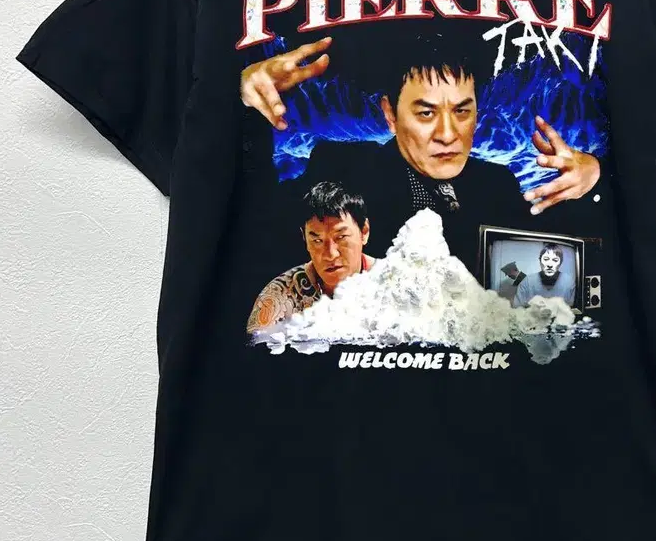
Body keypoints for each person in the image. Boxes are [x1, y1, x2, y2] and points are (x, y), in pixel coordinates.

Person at [240, 35, 601, 274]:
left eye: (462, 111)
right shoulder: (338, 169)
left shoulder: (496, 184)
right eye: (426, 113)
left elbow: (555, 264)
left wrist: (595, 175)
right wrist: (243, 102)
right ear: (390, 115)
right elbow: (258, 223)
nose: (448, 134)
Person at [247, 180, 375, 333]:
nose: (330, 255)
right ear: (305, 238)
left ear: (364, 231)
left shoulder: (394, 286)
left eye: (341, 237)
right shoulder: (279, 297)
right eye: (317, 241)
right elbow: (253, 347)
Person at [512, 243, 576, 308]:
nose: (550, 265)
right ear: (540, 261)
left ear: (560, 263)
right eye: (546, 259)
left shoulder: (569, 282)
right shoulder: (527, 281)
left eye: (555, 260)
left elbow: (573, 309)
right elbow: (516, 308)